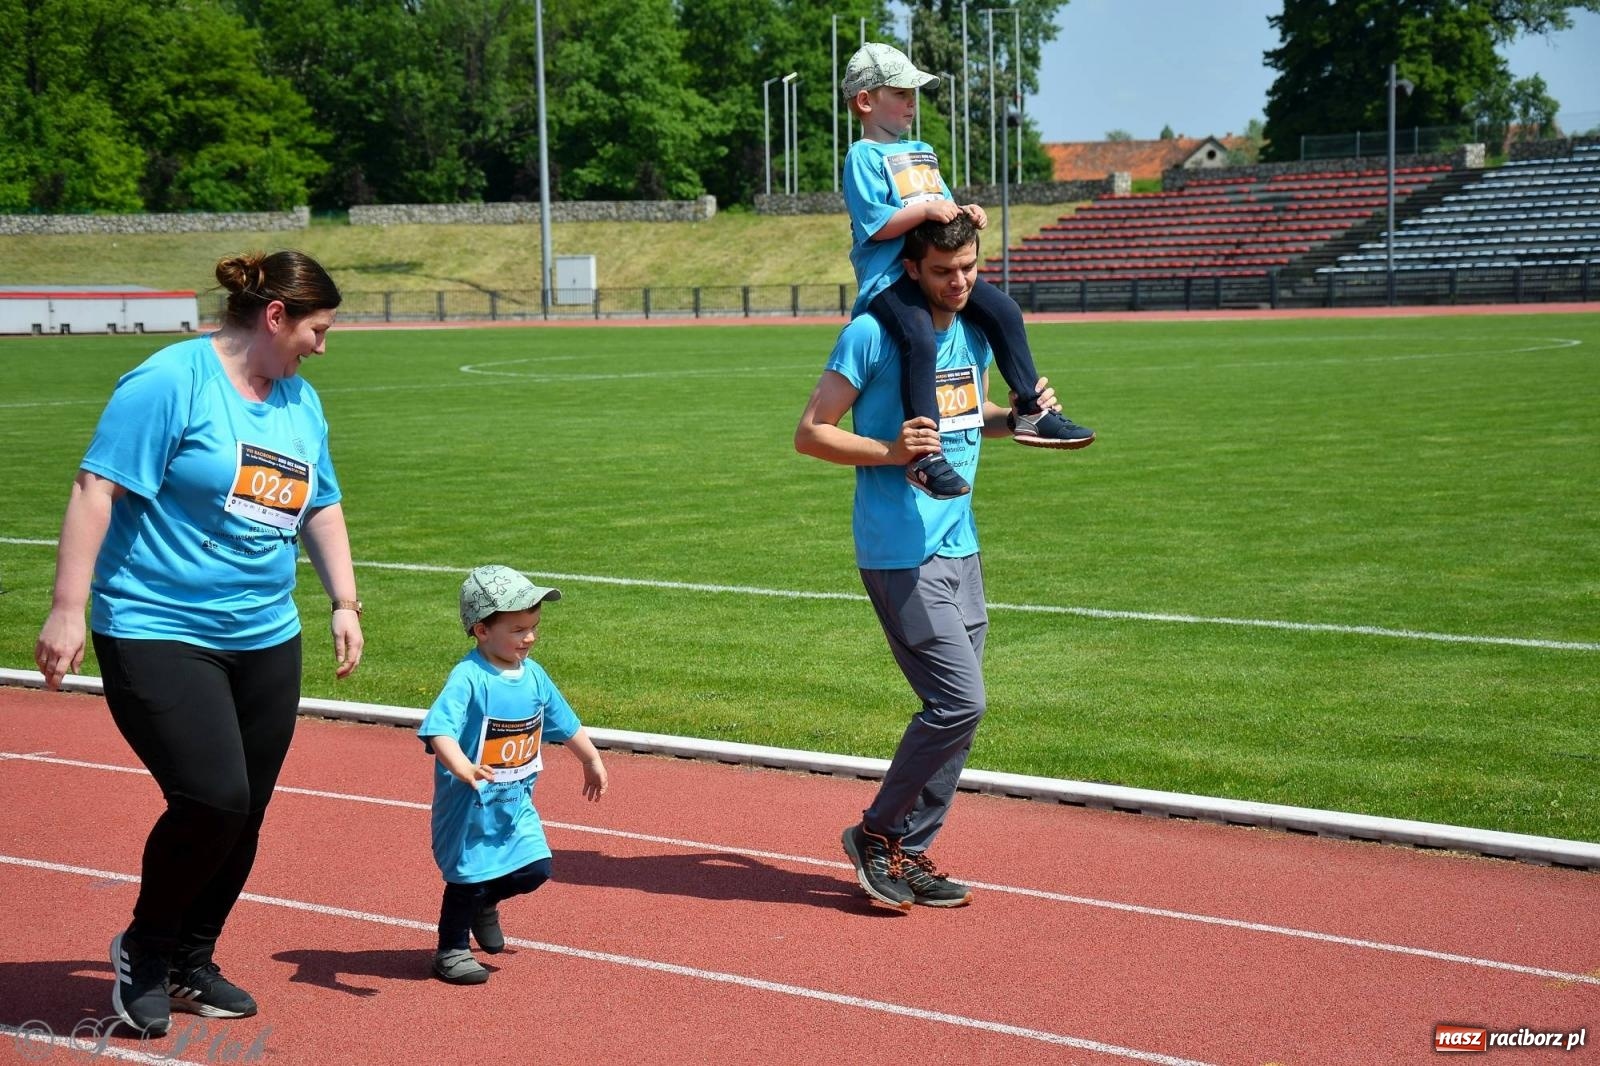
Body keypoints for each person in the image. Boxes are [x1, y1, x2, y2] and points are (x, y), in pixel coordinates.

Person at [33, 250, 364, 1034]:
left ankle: (190, 960)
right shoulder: (170, 381)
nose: (324, 345)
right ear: (275, 317)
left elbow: (321, 502)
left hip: (265, 634)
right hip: (156, 626)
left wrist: (343, 601)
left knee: (245, 812)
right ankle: (145, 949)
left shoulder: (299, 401)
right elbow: (96, 486)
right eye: (318, 329)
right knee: (212, 797)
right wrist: (66, 608)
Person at [795, 211, 1059, 911]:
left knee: (959, 713)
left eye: (969, 267)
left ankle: (907, 850)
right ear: (912, 269)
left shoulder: (972, 328)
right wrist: (891, 452)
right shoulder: (873, 333)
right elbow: (811, 432)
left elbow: (970, 416)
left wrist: (1022, 419)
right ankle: (876, 834)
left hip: (961, 546)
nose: (960, 282)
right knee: (959, 701)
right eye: (944, 272)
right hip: (898, 550)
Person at [841, 42, 1094, 501]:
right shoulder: (863, 157)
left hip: (934, 273)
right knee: (918, 337)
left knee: (1003, 309)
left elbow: (941, 208)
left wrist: (963, 212)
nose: (912, 102)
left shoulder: (921, 152)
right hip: (891, 281)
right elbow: (876, 226)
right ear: (865, 101)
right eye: (901, 93)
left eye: (914, 93)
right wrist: (928, 213)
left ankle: (1033, 410)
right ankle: (925, 456)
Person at [419, 564, 608, 985]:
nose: (530, 637)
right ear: (482, 630)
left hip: (516, 803)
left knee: (536, 869)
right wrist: (463, 765)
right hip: (470, 806)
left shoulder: (535, 676)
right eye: (519, 629)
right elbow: (439, 729)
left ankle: (485, 906)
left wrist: (590, 759)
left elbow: (564, 722)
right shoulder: (469, 677)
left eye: (534, 627)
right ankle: (451, 949)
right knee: (467, 879)